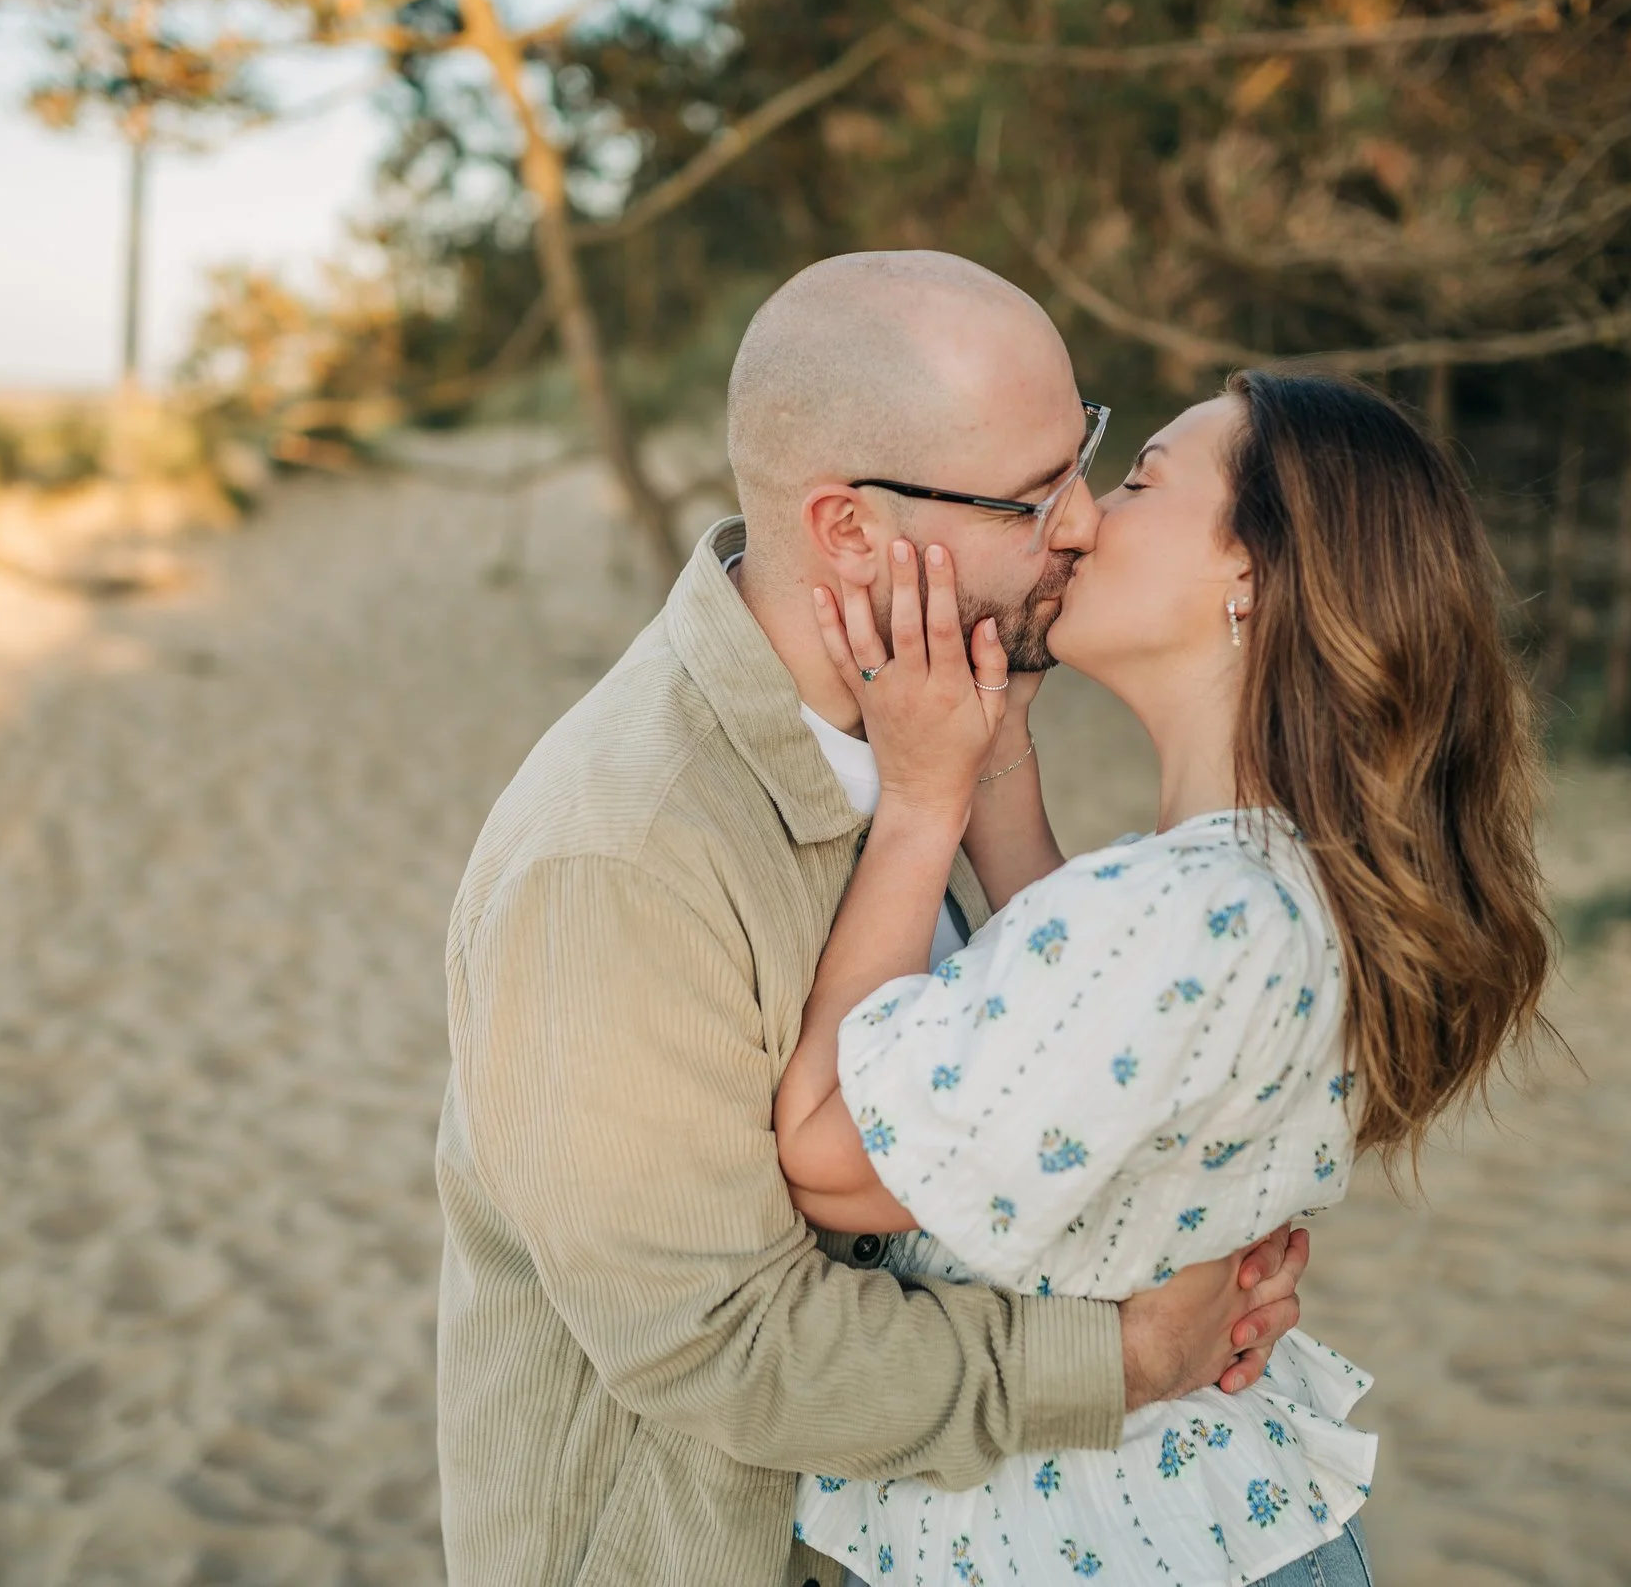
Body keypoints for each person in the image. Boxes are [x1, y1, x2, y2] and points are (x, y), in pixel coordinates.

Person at [437, 252, 1314, 1587]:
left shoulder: (934, 722)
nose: (1082, 522)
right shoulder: (618, 856)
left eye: (1087, 456)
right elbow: (716, 1342)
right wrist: (1125, 1356)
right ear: (848, 529)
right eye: (1034, 496)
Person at [772, 369, 1555, 1585]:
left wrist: (920, 802)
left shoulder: (1175, 912)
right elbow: (1076, 1036)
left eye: (1137, 478)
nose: (1078, 517)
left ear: (1250, 572)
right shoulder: (1285, 884)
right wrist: (995, 752)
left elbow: (829, 1155)